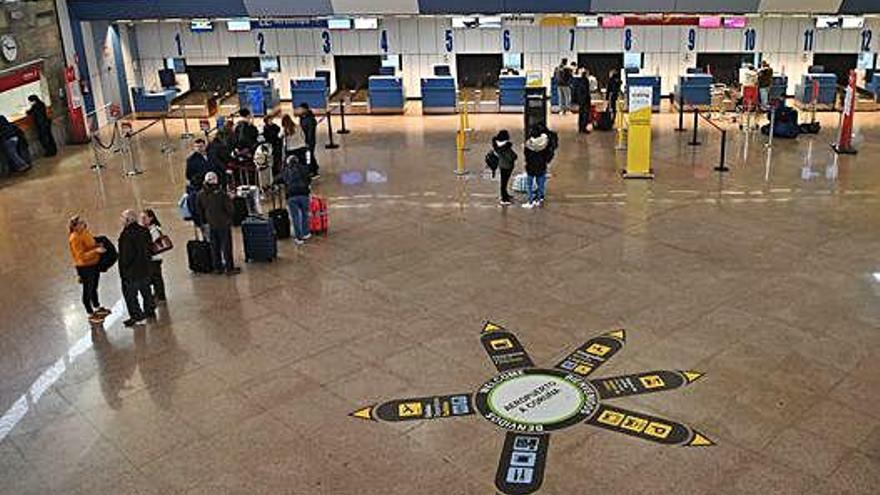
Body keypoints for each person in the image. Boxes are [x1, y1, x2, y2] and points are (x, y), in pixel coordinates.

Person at [68, 216, 110, 324]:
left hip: (93, 264)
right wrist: (96, 251)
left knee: (94, 286)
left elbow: (89, 245)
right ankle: (90, 313)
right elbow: (81, 256)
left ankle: (97, 307)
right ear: (75, 226)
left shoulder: (85, 232)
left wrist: (96, 245)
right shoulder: (74, 238)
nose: (84, 223)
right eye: (81, 223)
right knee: (87, 289)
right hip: (85, 267)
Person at [197, 172, 240, 275]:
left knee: (214, 246)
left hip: (210, 223)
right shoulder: (221, 194)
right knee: (226, 246)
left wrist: (204, 222)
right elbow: (230, 209)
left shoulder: (200, 194)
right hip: (223, 223)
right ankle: (229, 268)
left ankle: (217, 267)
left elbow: (199, 209)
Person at [118, 209, 155, 327]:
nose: (121, 220)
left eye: (122, 218)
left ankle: (137, 316)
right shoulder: (144, 230)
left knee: (131, 296)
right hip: (145, 269)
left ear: (128, 220)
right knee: (147, 292)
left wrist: (123, 270)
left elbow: (126, 257)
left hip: (131, 273)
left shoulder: (126, 235)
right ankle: (150, 312)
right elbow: (150, 248)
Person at [273, 155, 312, 245]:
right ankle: (306, 233)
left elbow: (276, 179)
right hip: (304, 194)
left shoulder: (286, 171)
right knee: (305, 214)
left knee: (295, 217)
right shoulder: (304, 169)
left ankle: (299, 238)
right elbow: (309, 179)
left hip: (292, 196)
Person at [140, 209, 166, 304]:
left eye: (144, 218)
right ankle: (159, 295)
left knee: (156, 278)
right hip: (153, 258)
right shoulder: (149, 229)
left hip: (154, 258)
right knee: (156, 278)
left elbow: (151, 244)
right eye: (141, 218)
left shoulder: (154, 230)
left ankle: (160, 296)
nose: (142, 220)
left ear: (151, 218)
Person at [523, 126, 551, 209]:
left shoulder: (528, 144)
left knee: (530, 185)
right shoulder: (545, 142)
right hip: (541, 166)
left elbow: (526, 156)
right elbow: (548, 154)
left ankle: (530, 201)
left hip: (531, 166)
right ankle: (539, 200)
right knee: (541, 184)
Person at [492, 130, 517, 206]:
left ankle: (505, 195)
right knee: (504, 182)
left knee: (504, 182)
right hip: (507, 166)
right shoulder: (506, 147)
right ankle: (504, 199)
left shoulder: (497, 145)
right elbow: (512, 157)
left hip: (502, 165)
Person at [295, 103, 319, 178]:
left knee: (309, 155)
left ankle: (314, 171)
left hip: (309, 141)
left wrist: (308, 142)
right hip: (304, 140)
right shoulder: (302, 118)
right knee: (309, 155)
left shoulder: (310, 120)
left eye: (301, 109)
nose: (300, 110)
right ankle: (313, 168)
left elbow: (310, 132)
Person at [574, 69, 593, 134]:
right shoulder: (585, 81)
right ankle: (584, 128)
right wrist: (588, 100)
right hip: (585, 100)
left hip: (581, 100)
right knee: (585, 114)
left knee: (581, 114)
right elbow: (586, 91)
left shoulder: (580, 81)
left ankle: (580, 128)